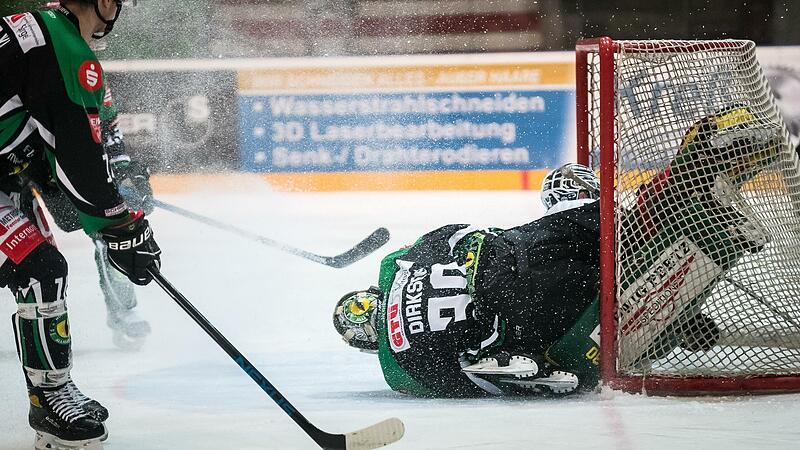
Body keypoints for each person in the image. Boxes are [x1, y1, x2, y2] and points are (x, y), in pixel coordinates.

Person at [332, 104, 781, 398]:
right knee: (618, 237)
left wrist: (508, 352)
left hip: (543, 333)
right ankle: (700, 159)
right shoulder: (395, 268)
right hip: (521, 274)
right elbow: (468, 235)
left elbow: (474, 381)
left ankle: (708, 233)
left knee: (619, 320)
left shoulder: (401, 371)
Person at [0, 1, 161, 449]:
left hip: (8, 177)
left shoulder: (43, 34)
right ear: (105, 3)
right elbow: (79, 157)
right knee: (40, 267)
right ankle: (50, 399)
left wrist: (118, 182)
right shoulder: (66, 51)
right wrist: (121, 225)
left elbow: (97, 140)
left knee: (42, 266)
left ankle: (54, 391)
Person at [25, 81, 155, 350]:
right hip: (19, 162)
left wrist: (125, 175)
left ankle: (123, 309)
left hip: (62, 166)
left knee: (110, 229)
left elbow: (109, 131)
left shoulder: (91, 74)